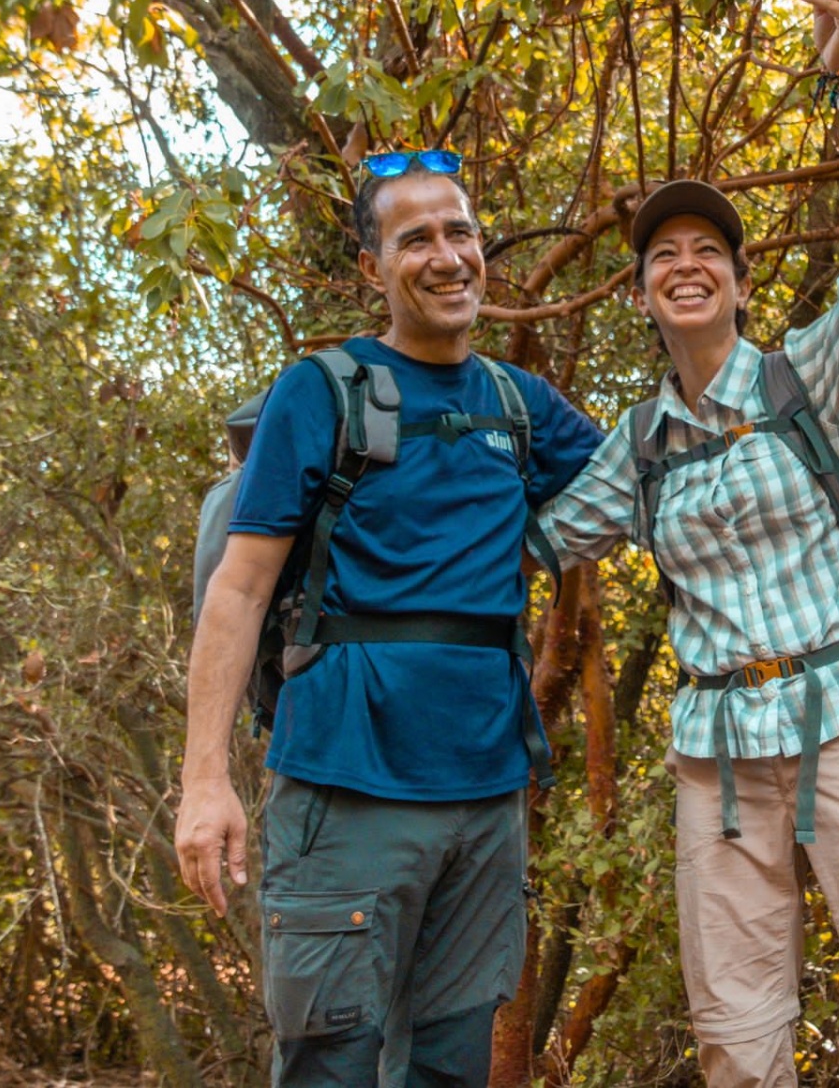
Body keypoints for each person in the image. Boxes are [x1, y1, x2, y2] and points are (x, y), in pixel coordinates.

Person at [531, 0, 839, 1087]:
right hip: (717, 759)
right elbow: (538, 540)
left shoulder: (814, 378)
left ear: (740, 283)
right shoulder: (638, 447)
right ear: (643, 295)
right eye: (662, 257)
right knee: (737, 1046)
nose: (683, 265)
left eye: (706, 253)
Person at [175, 150, 605, 1087]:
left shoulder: (517, 403)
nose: (447, 256)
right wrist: (204, 778)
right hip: (346, 788)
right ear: (374, 268)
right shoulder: (320, 390)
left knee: (450, 1067)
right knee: (332, 1062)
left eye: (461, 232)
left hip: (487, 800)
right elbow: (240, 590)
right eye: (416, 238)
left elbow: (643, 488)